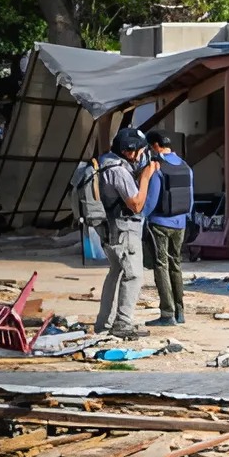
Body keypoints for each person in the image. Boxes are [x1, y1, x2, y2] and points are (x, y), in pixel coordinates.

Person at [95, 127, 158, 340]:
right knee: (133, 275)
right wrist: (146, 177)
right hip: (124, 230)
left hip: (110, 229)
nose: (141, 155)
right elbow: (136, 204)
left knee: (115, 272)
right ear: (129, 151)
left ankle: (104, 323)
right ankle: (122, 323)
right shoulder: (118, 171)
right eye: (140, 151)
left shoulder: (105, 162)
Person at [140, 130, 193, 327]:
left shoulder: (157, 167)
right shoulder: (186, 167)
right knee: (176, 265)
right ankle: (180, 312)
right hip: (181, 223)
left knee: (161, 266)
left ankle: (167, 314)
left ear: (155, 146)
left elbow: (151, 199)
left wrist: (140, 216)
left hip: (160, 224)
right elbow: (191, 198)